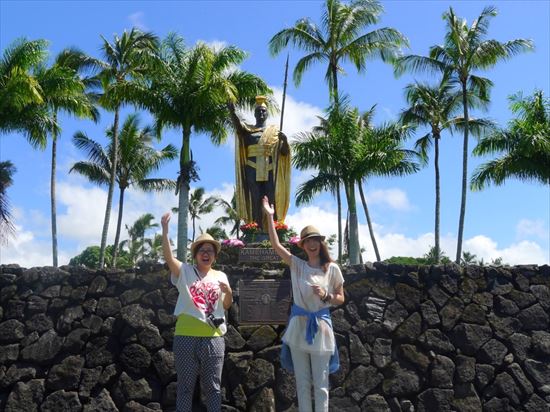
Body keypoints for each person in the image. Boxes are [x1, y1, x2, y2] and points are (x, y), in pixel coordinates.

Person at [262, 196, 345, 412]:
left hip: (321, 327)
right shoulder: (297, 265)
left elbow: (341, 298)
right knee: (302, 383)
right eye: (308, 240)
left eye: (316, 240)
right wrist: (270, 217)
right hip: (299, 326)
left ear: (320, 243)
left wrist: (326, 295)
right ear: (303, 244)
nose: (312, 244)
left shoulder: (332, 269)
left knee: (321, 384)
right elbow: (276, 245)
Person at [161, 212, 233, 411]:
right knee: (185, 387)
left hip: (214, 336)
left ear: (215, 256)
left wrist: (229, 293)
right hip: (185, 335)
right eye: (202, 250)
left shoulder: (221, 276)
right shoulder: (185, 271)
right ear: (196, 254)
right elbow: (168, 257)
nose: (206, 253)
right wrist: (165, 231)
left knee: (213, 388)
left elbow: (226, 305)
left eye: (210, 250)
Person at [228, 95, 291, 228]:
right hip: (252, 168)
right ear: (255, 114)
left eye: (263, 111)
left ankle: (272, 228)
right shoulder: (248, 131)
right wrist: (232, 113)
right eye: (258, 111)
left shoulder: (274, 132)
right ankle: (256, 228)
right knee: (255, 198)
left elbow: (284, 153)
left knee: (270, 199)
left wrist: (284, 141)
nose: (261, 113)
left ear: (267, 114)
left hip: (269, 169)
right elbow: (238, 126)